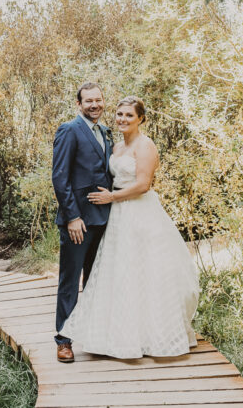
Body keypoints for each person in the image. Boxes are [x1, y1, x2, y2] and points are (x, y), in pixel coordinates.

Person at [58, 96, 200, 359]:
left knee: (146, 272)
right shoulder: (115, 146)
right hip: (117, 217)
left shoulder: (146, 146)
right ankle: (112, 335)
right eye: (120, 114)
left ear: (141, 119)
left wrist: (112, 197)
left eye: (129, 116)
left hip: (139, 212)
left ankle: (151, 336)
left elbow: (144, 184)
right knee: (121, 272)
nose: (122, 119)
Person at [51, 82, 113, 363]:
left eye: (98, 100)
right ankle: (64, 340)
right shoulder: (69, 130)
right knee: (69, 280)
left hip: (103, 218)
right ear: (79, 104)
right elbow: (60, 178)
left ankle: (91, 335)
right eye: (88, 101)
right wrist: (72, 217)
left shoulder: (105, 132)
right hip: (78, 221)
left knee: (95, 279)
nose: (94, 105)